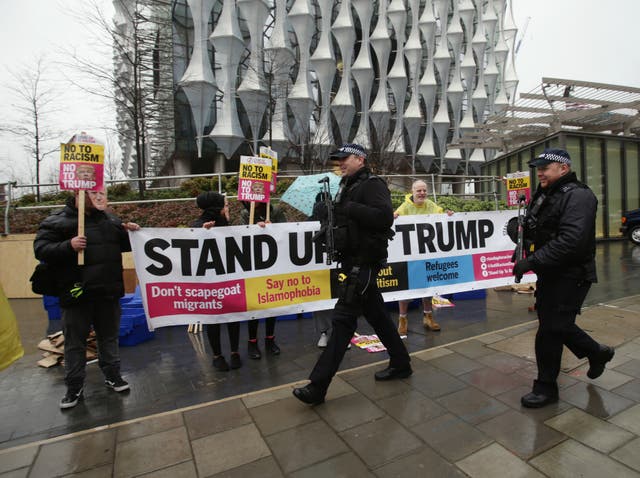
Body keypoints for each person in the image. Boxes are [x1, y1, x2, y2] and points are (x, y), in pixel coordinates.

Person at [293, 143, 412, 405]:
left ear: (359, 159)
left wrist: (345, 209)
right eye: (337, 160)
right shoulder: (345, 187)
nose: (340, 164)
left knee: (343, 322)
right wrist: (326, 213)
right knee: (378, 316)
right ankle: (401, 363)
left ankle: (318, 386)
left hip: (365, 263)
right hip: (351, 262)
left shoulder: (372, 184)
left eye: (344, 159)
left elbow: (383, 218)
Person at [510, 148, 614, 408]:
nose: (540, 173)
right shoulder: (545, 194)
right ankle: (596, 352)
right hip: (551, 272)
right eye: (539, 169)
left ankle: (546, 388)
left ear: (563, 168)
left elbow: (571, 242)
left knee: (550, 330)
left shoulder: (578, 196)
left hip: (572, 275)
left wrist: (531, 261)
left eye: (545, 168)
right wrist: (517, 229)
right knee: (555, 324)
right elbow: (538, 230)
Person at [33, 187, 140, 409]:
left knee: (109, 338)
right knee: (75, 343)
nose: (100, 198)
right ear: (79, 195)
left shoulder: (111, 221)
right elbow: (41, 249)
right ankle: (74, 387)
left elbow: (126, 245)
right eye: (95, 194)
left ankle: (113, 376)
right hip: (76, 293)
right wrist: (68, 246)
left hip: (108, 292)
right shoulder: (57, 221)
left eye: (103, 193)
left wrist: (134, 234)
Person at [393, 179, 453, 336]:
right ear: (412, 191)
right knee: (406, 290)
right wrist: (394, 217)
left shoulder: (430, 204)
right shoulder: (405, 206)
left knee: (427, 288)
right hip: (409, 256)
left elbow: (440, 214)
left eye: (424, 190)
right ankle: (402, 320)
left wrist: (447, 214)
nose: (422, 193)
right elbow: (396, 217)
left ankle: (428, 317)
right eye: (419, 190)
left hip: (426, 254)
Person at [191, 191, 241, 371]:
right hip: (209, 283)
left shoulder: (225, 225)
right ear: (216, 208)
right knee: (213, 319)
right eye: (225, 205)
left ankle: (235, 352)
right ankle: (217, 355)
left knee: (233, 316)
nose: (227, 209)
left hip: (228, 280)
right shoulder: (198, 225)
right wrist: (201, 233)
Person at [241, 200, 286, 358]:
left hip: (272, 264)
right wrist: (254, 228)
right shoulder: (246, 213)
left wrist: (272, 226)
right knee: (254, 305)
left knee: (271, 303)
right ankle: (252, 342)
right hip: (254, 266)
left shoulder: (275, 211)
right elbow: (241, 235)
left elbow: (286, 231)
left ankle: (270, 339)